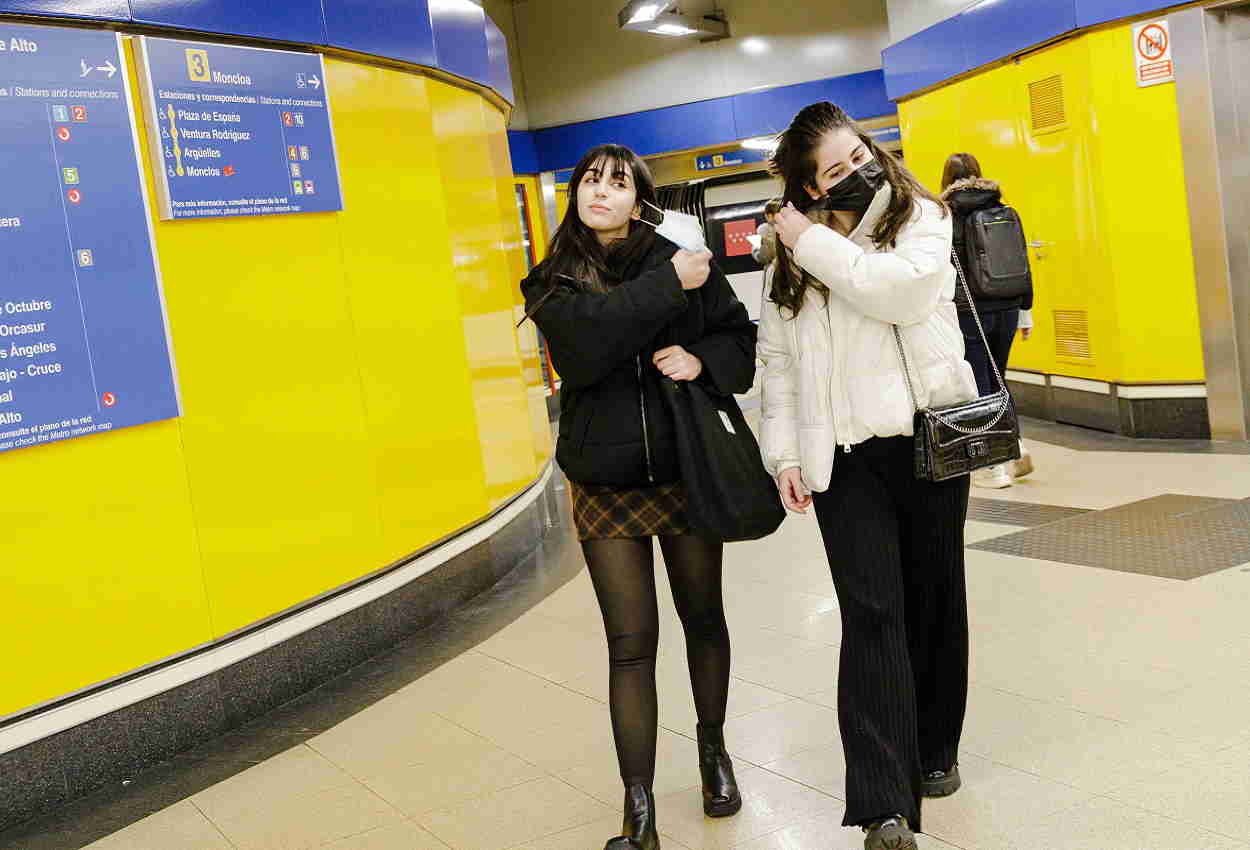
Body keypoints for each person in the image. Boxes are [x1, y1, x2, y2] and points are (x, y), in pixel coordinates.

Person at [520, 144, 757, 850]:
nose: (600, 192)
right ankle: (640, 809)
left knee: (703, 617)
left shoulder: (681, 255)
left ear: (638, 199)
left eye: (617, 183)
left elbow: (739, 340)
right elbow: (587, 351)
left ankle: (714, 754)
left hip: (685, 466)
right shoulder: (554, 277)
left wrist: (700, 358)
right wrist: (669, 287)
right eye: (590, 180)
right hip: (603, 479)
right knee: (631, 645)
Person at [757, 102, 979, 850]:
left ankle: (936, 748)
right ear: (810, 188)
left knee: (935, 597)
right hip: (843, 462)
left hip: (927, 442)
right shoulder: (786, 257)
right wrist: (784, 455)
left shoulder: (919, 215)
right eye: (835, 170)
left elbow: (899, 292)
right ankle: (884, 804)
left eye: (859, 155)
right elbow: (777, 367)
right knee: (872, 616)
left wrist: (810, 240)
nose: (856, 171)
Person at [941, 152, 1036, 489]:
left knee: (981, 383)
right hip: (1008, 306)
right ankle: (1016, 446)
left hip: (971, 311)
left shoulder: (946, 216)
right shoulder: (1005, 209)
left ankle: (993, 466)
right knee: (1000, 377)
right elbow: (1022, 259)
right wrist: (1026, 309)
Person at [752, 199, 783, 265]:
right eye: (779, 214)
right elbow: (759, 256)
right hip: (774, 268)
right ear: (769, 216)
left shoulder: (787, 227)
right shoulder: (763, 229)